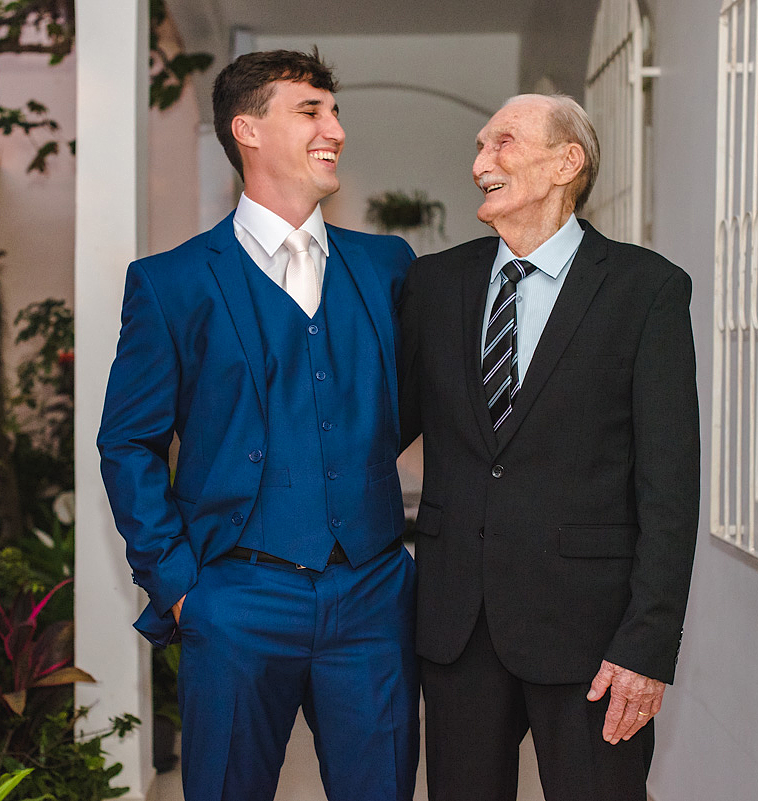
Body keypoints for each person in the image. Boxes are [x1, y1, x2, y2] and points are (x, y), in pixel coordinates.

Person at [98, 49, 419, 801]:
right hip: (234, 597)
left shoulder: (388, 267)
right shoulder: (172, 282)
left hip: (371, 597)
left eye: (334, 112)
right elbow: (128, 441)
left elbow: (418, 405)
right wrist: (180, 586)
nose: (335, 129)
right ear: (247, 129)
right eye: (311, 111)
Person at [398, 93, 699, 801]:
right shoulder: (434, 284)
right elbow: (380, 430)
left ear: (567, 162)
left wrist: (646, 647)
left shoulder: (647, 289)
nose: (480, 162)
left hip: (592, 638)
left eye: (502, 142)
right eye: (478, 146)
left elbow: (670, 487)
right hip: (457, 629)